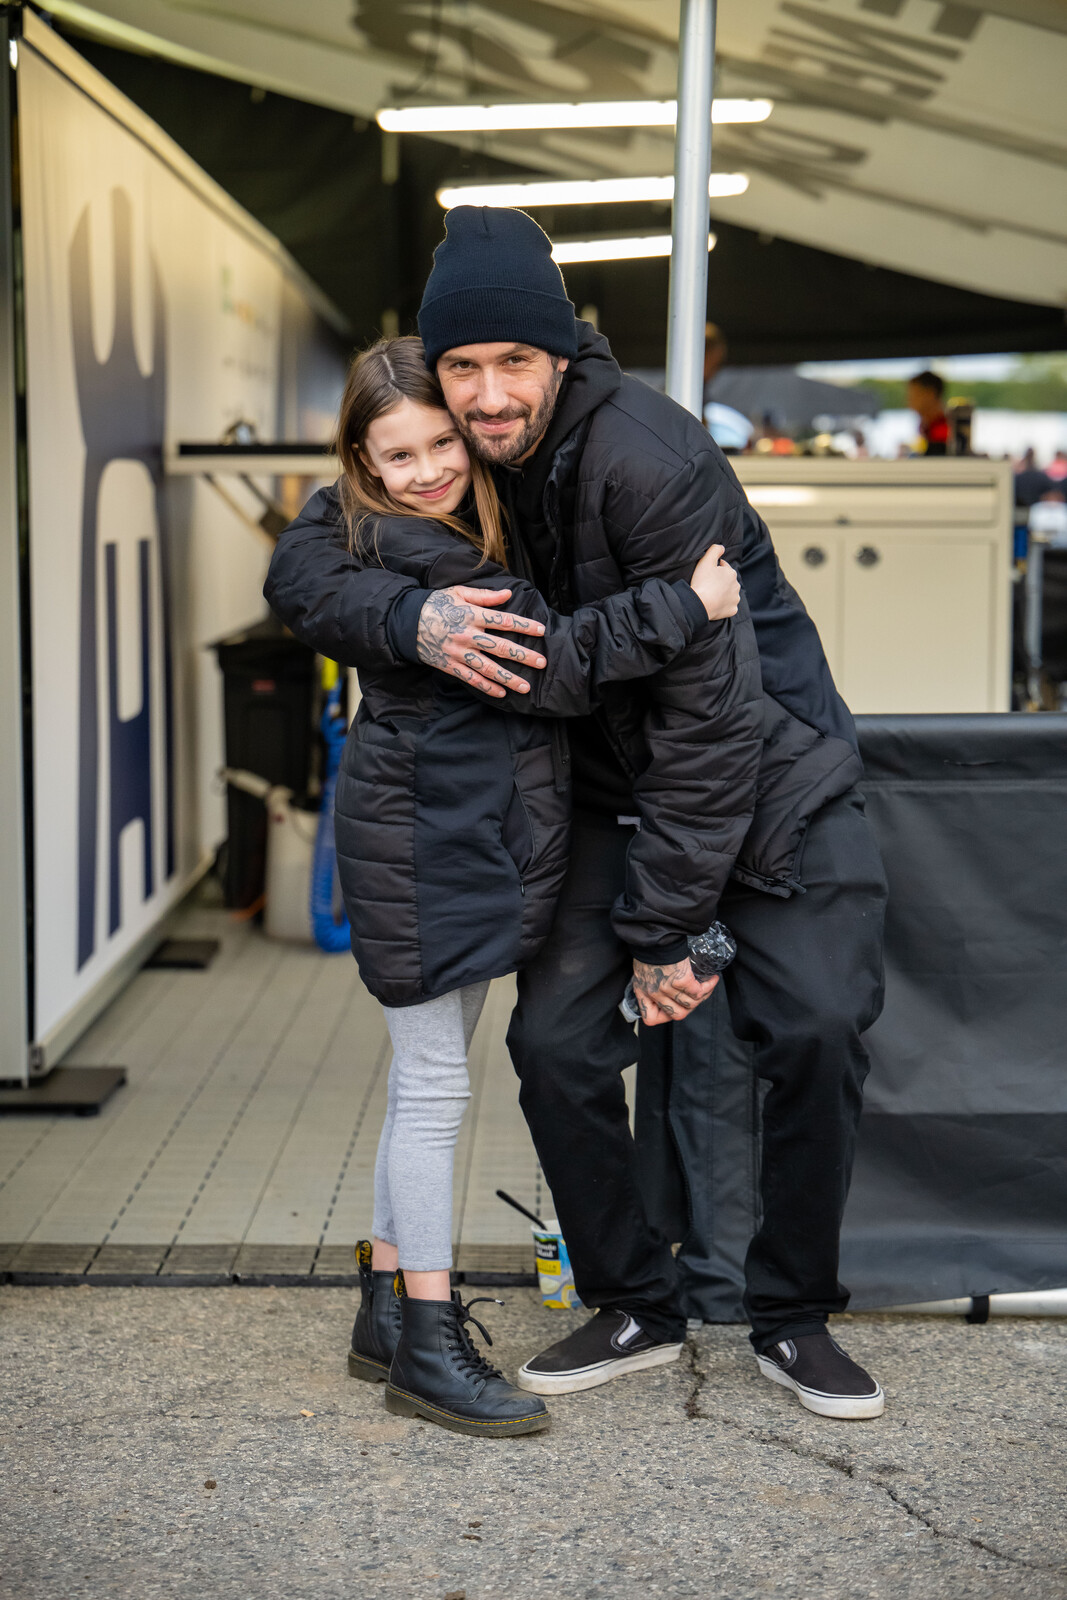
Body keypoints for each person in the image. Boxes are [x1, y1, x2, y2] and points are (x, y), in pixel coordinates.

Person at [266, 207, 888, 1422]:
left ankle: (793, 1313)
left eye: (513, 362)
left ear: (560, 352)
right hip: (600, 788)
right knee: (552, 1045)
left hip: (769, 775)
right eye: (463, 367)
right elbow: (307, 561)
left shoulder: (646, 458)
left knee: (815, 1026)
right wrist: (405, 619)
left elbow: (707, 725)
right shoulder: (449, 445)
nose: (487, 396)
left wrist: (671, 929)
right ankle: (633, 1298)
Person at [270, 335, 741, 1439]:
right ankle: (428, 1344)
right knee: (435, 1088)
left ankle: (387, 1310)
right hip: (430, 849)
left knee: (420, 1083)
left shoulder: (435, 525)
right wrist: (682, 607)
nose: (431, 467)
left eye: (442, 442)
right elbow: (553, 665)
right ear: (361, 461)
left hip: (454, 841)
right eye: (399, 454)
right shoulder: (424, 556)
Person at [907, 370, 949, 456]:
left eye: (915, 395)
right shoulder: (927, 428)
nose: (909, 402)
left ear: (930, 394)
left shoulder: (943, 431)